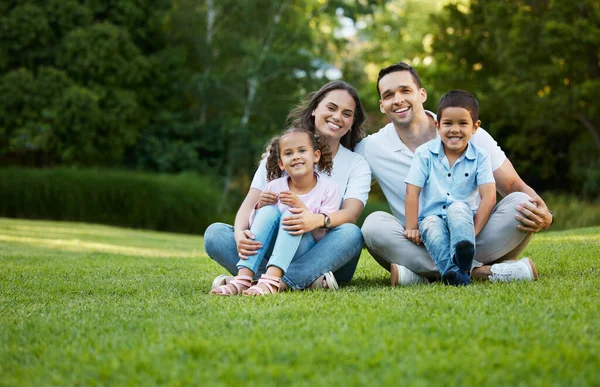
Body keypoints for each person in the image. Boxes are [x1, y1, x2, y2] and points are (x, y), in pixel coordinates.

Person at [356, 62, 551, 285]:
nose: (398, 99)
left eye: (405, 90)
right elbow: (340, 184)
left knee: (523, 202)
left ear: (422, 94)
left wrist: (546, 213)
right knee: (372, 226)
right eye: (389, 95)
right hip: (419, 242)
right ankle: (483, 272)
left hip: (474, 236)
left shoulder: (467, 131)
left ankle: (423, 275)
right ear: (382, 105)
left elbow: (512, 184)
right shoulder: (371, 148)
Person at [204, 81, 371, 291]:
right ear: (314, 110)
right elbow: (250, 204)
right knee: (215, 234)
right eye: (331, 108)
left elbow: (350, 214)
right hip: (274, 242)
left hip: (323, 250)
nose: (337, 117)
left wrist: (315, 220)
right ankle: (295, 280)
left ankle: (266, 280)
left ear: (352, 121)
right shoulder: (280, 155)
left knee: (351, 233)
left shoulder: (357, 163)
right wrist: (239, 234)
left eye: (347, 113)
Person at [210, 128, 340, 295]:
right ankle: (244, 278)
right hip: (274, 250)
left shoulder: (329, 188)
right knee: (268, 211)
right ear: (281, 163)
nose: (296, 156)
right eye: (288, 153)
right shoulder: (274, 186)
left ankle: (271, 280)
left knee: (292, 214)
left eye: (302, 150)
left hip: (305, 252)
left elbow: (322, 234)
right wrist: (259, 207)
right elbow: (259, 228)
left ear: (316, 155)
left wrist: (300, 207)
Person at [404, 90, 496, 286]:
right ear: (437, 126)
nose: (455, 129)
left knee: (458, 207)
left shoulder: (481, 156)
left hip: (463, 221)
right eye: (448, 123)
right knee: (431, 227)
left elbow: (489, 197)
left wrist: (473, 232)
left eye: (463, 123)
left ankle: (464, 253)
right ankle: (453, 272)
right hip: (432, 217)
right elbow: (412, 191)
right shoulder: (425, 154)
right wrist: (412, 227)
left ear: (475, 127)